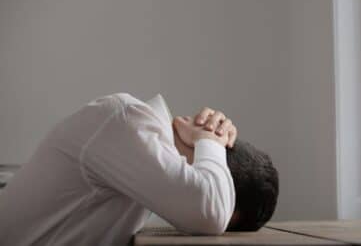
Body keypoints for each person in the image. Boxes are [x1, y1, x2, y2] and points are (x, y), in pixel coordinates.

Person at [0, 93, 279, 245]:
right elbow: (209, 213)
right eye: (213, 178)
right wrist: (210, 139)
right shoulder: (124, 117)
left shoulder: (138, 174)